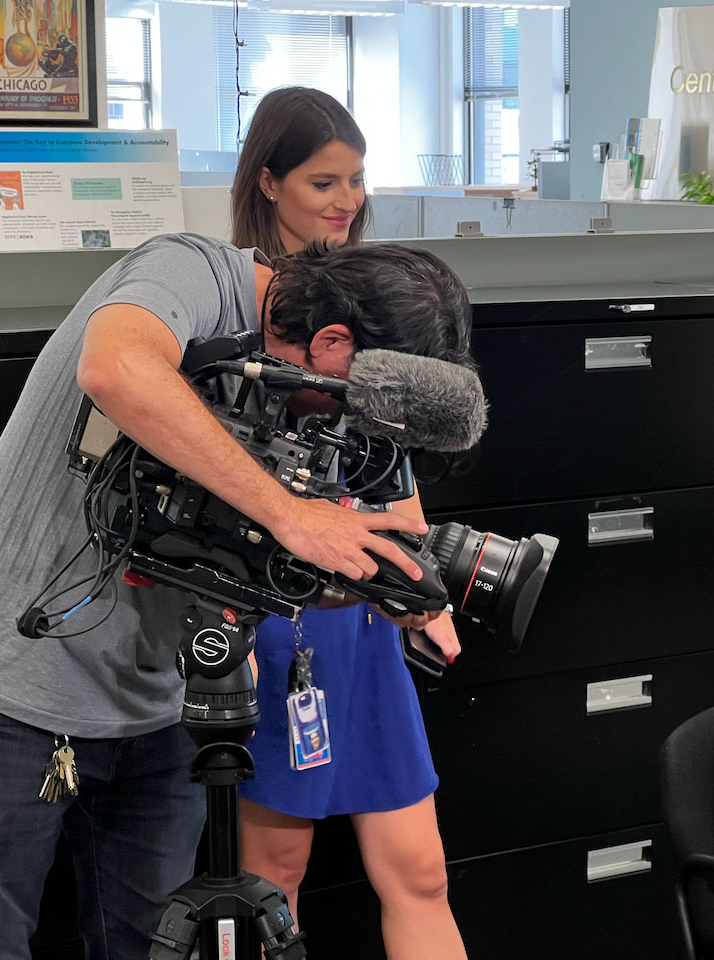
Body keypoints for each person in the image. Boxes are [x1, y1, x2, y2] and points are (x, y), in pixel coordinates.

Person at [0, 233, 473, 959]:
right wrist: (289, 514)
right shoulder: (187, 271)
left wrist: (367, 578)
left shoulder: (316, 388)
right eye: (354, 396)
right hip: (12, 688)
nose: (347, 419)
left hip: (159, 705)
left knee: (145, 942)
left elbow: (242, 548)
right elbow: (115, 366)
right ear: (332, 338)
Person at [228, 86, 469, 960]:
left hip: (366, 620)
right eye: (324, 180)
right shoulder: (236, 310)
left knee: (421, 871)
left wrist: (423, 587)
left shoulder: (379, 304)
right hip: (278, 626)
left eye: (356, 180)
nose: (345, 200)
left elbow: (392, 469)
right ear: (268, 182)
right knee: (276, 878)